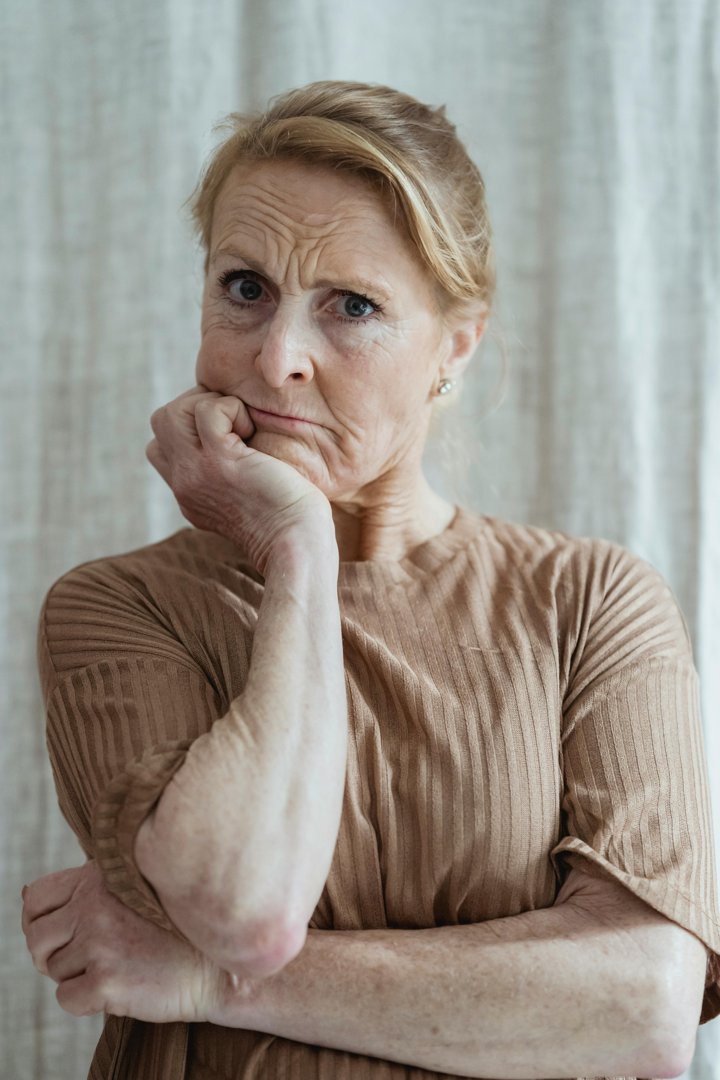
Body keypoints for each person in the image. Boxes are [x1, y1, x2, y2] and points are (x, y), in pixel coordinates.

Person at [21, 80, 720, 1080]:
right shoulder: (117, 606)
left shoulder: (592, 603)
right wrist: (299, 548)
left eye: (350, 306)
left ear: (455, 347)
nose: (277, 359)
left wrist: (209, 983)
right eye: (244, 288)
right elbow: (244, 908)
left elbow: (646, 1007)